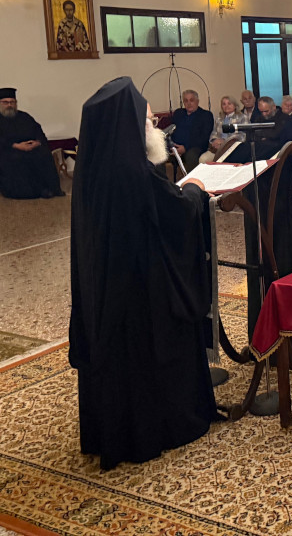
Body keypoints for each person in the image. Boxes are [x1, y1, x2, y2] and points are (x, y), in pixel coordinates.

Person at [70, 77, 217, 470]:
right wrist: (194, 190)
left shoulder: (93, 170)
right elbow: (175, 213)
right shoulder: (134, 173)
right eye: (149, 119)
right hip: (143, 294)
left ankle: (112, 432)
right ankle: (161, 426)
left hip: (107, 293)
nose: (155, 126)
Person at [0, 88, 64, 199]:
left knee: (43, 154)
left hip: (30, 148)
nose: (9, 105)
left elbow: (38, 131)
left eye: (12, 102)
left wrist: (37, 142)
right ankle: (27, 192)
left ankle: (50, 189)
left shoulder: (25, 117)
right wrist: (16, 146)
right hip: (7, 150)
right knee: (17, 159)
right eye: (5, 102)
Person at [224, 96, 287, 163]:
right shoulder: (259, 118)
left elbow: (275, 135)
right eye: (261, 112)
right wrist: (262, 136)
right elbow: (251, 134)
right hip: (257, 146)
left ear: (273, 107)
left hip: (273, 149)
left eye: (266, 111)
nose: (264, 114)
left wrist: (262, 135)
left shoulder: (284, 119)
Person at [169, 89, 215, 173]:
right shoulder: (178, 113)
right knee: (157, 155)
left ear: (197, 101)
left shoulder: (206, 115)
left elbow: (204, 137)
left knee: (191, 155)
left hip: (194, 147)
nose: (189, 103)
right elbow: (171, 130)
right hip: (175, 147)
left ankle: (192, 180)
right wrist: (172, 146)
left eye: (191, 100)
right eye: (186, 101)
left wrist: (185, 148)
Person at [199, 95, 248, 164]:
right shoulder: (219, 118)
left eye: (229, 103)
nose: (226, 106)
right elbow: (214, 133)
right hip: (217, 149)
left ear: (235, 105)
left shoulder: (242, 117)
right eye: (224, 104)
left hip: (233, 149)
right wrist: (215, 141)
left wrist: (225, 142)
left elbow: (243, 135)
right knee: (203, 159)